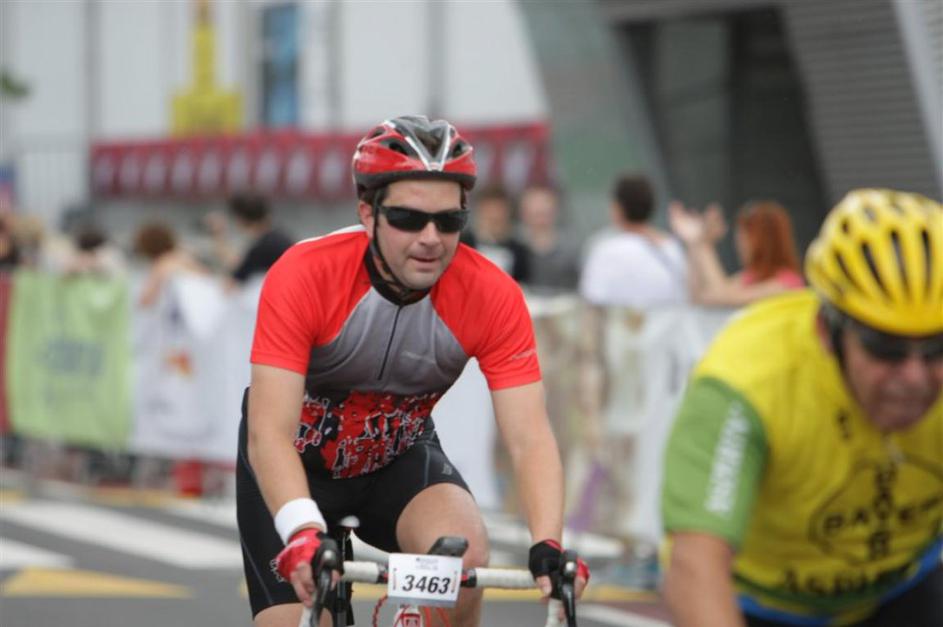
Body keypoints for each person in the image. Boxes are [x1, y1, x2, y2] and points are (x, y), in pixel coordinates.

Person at [237, 115, 589, 627]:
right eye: (408, 218)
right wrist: (303, 531)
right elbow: (269, 433)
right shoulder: (305, 273)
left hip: (393, 457)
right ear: (367, 212)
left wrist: (548, 543)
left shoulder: (491, 295)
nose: (431, 238)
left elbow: (530, 436)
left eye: (449, 221)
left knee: (463, 558)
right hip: (296, 462)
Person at [661, 189, 943, 627]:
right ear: (828, 331)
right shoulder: (747, 379)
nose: (915, 377)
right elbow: (695, 564)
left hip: (899, 585)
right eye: (885, 348)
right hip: (764, 604)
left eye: (937, 348)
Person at [579, 173, 687, 308]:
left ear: (617, 208)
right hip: (670, 321)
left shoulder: (605, 252)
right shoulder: (672, 247)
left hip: (624, 321)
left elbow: (592, 301)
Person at [669, 199, 803, 307]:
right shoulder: (749, 277)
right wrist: (694, 244)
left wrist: (704, 244)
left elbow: (723, 297)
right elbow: (701, 297)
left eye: (745, 236)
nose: (740, 244)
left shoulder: (787, 283)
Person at [205, 192, 294, 288]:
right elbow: (242, 264)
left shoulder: (263, 247)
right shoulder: (279, 238)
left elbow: (232, 281)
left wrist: (217, 236)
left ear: (240, 219)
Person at [518, 184, 581, 293]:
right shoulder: (515, 245)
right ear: (524, 215)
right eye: (536, 214)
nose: (541, 220)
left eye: (545, 214)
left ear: (555, 213)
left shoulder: (570, 248)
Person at [467, 183, 530, 283]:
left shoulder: (519, 251)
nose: (494, 216)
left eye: (499, 211)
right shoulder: (464, 244)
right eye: (489, 211)